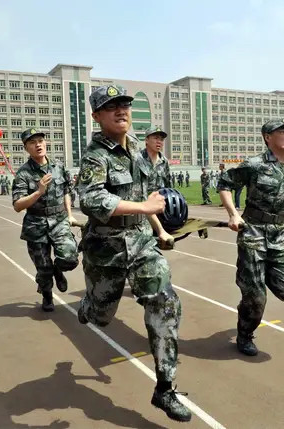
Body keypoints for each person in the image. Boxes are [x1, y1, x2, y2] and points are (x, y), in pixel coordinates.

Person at [76, 85, 191, 422]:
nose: (121, 111)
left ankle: (165, 388)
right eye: (111, 107)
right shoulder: (96, 156)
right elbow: (92, 201)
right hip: (106, 250)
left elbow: (148, 197)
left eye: (124, 105)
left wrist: (160, 230)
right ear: (97, 116)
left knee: (165, 302)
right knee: (100, 315)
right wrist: (143, 206)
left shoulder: (139, 152)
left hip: (141, 243)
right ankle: (89, 305)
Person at [217, 118, 284, 357]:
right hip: (253, 234)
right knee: (256, 298)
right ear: (268, 137)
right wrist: (233, 214)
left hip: (280, 235)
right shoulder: (254, 164)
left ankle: (258, 279)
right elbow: (224, 184)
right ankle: (245, 333)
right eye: (283, 131)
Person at [12, 128, 79, 312]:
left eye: (40, 140)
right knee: (43, 269)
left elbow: (66, 190)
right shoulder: (23, 174)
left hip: (59, 221)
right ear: (26, 148)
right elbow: (18, 205)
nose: (38, 145)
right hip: (36, 225)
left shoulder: (58, 167)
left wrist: (70, 214)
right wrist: (38, 191)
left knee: (70, 258)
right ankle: (47, 295)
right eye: (33, 142)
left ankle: (58, 269)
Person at [140, 125, 171, 193]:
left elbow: (168, 185)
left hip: (159, 201)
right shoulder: (137, 159)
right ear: (146, 140)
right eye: (156, 138)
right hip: (141, 202)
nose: (159, 141)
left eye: (161, 139)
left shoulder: (164, 161)